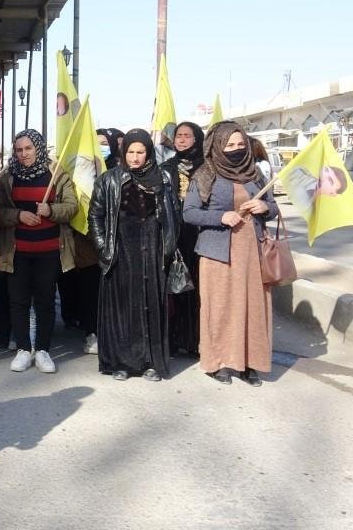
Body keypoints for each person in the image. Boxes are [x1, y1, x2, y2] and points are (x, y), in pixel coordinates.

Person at [184, 121, 277, 386]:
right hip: (218, 254)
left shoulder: (255, 173)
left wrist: (264, 208)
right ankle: (218, 362)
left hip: (252, 253)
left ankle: (249, 363)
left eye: (240, 144)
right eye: (229, 145)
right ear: (217, 146)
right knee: (221, 308)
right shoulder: (205, 174)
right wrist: (220, 216)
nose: (236, 149)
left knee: (252, 308)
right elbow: (189, 213)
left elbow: (273, 207)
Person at [88, 129, 179, 381]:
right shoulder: (109, 179)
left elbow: (174, 214)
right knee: (122, 310)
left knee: (150, 308)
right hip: (120, 252)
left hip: (153, 252)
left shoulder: (162, 178)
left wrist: (167, 247)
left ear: (148, 153)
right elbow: (95, 216)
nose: (135, 157)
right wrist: (104, 248)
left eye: (140, 152)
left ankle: (151, 362)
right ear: (123, 152)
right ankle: (122, 363)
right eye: (130, 152)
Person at [0, 129, 76, 374]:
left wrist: (51, 210)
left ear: (38, 148)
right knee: (17, 300)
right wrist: (18, 215)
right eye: (19, 149)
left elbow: (72, 207)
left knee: (45, 301)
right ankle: (22, 349)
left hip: (49, 250)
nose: (24, 154)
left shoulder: (56, 173)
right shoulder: (7, 176)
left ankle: (42, 350)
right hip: (16, 251)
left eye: (28, 148)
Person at [164, 121, 205, 356]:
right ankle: (174, 338)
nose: (181, 139)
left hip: (200, 234)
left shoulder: (207, 168)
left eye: (187, 135)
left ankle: (195, 340)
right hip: (176, 234)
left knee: (198, 289)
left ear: (197, 138)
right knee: (176, 287)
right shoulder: (167, 167)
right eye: (178, 135)